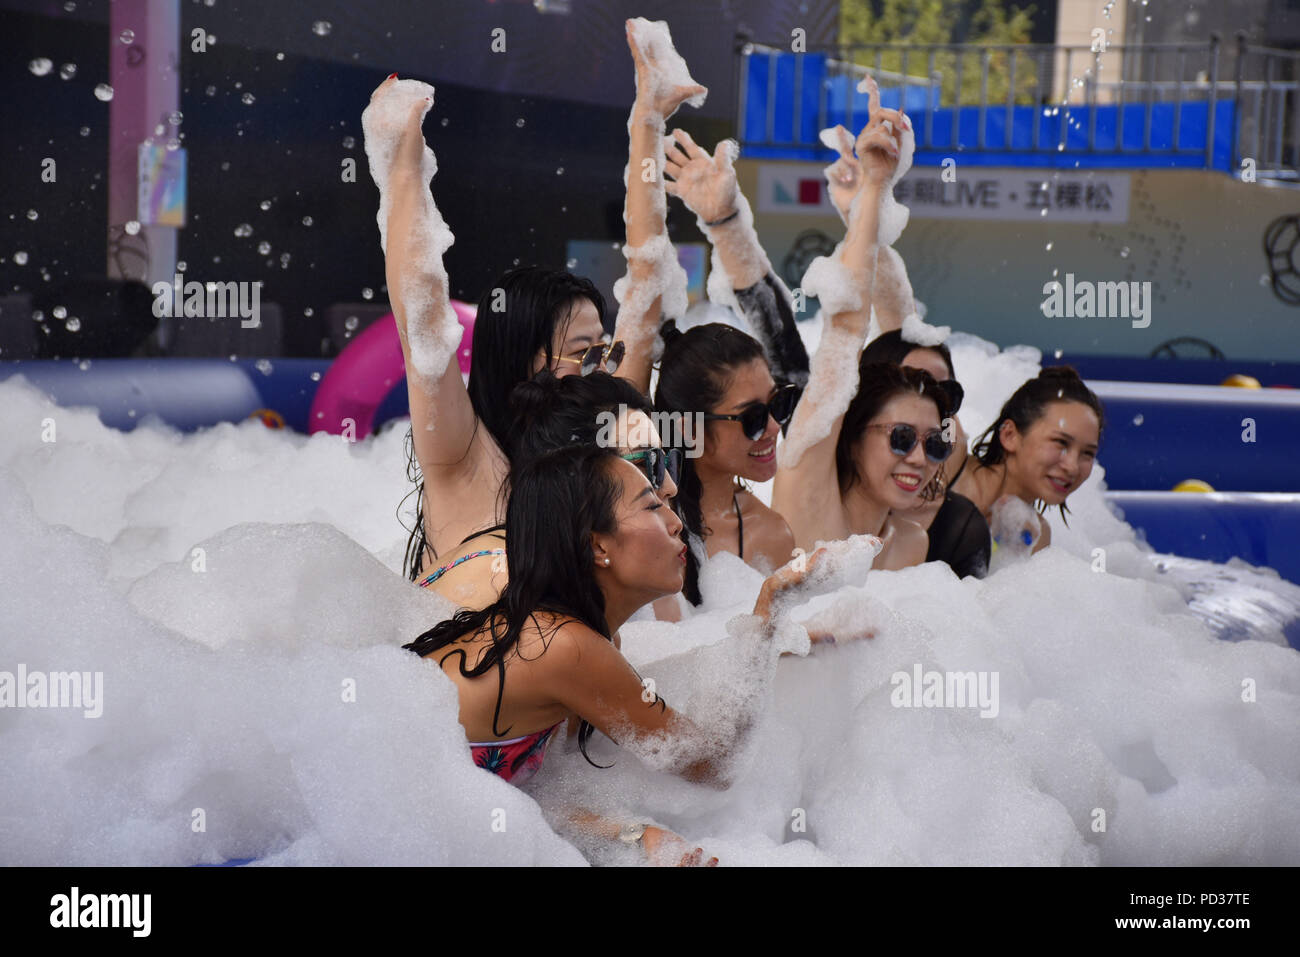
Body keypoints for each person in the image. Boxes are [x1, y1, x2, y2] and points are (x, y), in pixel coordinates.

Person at [405, 444, 824, 862]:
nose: (676, 522)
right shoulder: (566, 647)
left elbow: (540, 787)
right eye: (651, 508)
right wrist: (768, 616)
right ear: (597, 547)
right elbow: (712, 766)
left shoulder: (579, 637)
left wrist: (634, 837)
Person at [654, 320, 799, 610]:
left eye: (779, 402)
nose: (773, 427)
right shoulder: (644, 526)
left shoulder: (770, 534)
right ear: (689, 429)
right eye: (753, 418)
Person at [858, 331, 989, 577]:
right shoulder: (818, 494)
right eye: (910, 381)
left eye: (944, 392)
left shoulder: (960, 526)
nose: (928, 400)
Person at [953, 366, 1103, 554]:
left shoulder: (1035, 537)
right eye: (1060, 443)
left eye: (1087, 453)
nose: (1072, 467)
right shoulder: (947, 472)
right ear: (1009, 435)